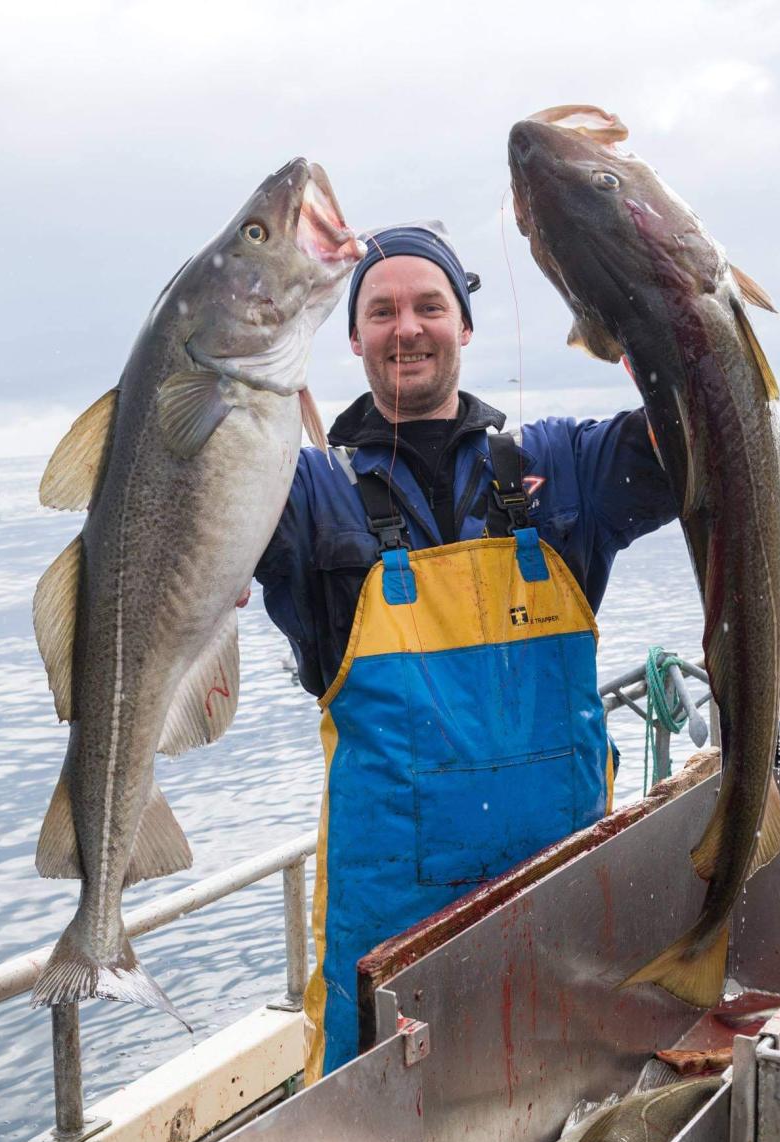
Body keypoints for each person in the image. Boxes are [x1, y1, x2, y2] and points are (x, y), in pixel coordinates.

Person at [254, 222, 676, 1082]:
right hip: (390, 945)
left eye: (428, 305)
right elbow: (185, 498)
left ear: (466, 324)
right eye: (382, 310)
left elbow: (691, 439)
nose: (406, 327)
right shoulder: (301, 494)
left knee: (577, 1132)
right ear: (354, 337)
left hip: (564, 916)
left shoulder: (560, 468)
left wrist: (626, 288)